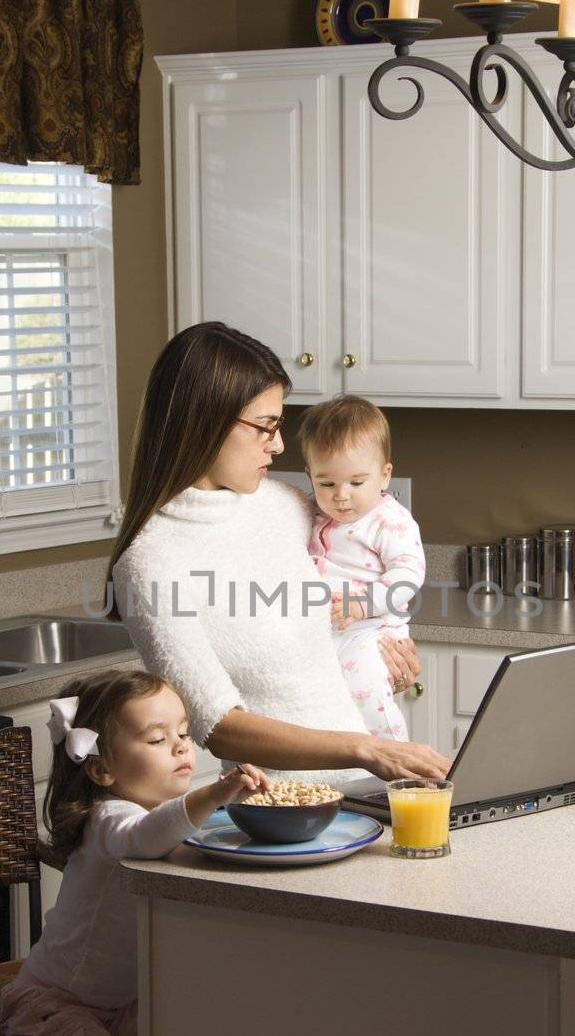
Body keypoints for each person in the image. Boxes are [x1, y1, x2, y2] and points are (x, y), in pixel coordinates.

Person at [106, 321, 449, 784]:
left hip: (368, 787)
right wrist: (364, 749)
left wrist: (388, 659)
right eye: (265, 427)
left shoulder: (286, 506)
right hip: (281, 812)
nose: (281, 445)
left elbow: (341, 618)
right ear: (205, 423)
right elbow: (219, 726)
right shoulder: (151, 563)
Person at [0, 667, 268, 1036]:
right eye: (155, 738)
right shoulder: (111, 819)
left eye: (185, 733)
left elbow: (177, 829)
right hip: (52, 1006)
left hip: (115, 1003)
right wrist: (217, 792)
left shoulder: (162, 813)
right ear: (103, 770)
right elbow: (146, 838)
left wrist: (234, 801)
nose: (180, 747)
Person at [300, 395, 425, 742]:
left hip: (372, 632)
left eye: (356, 482)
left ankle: (397, 758)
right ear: (310, 476)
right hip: (325, 633)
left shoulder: (389, 520)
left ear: (384, 476)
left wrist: (363, 604)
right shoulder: (309, 513)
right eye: (327, 483)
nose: (341, 495)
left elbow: (407, 578)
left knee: (368, 697)